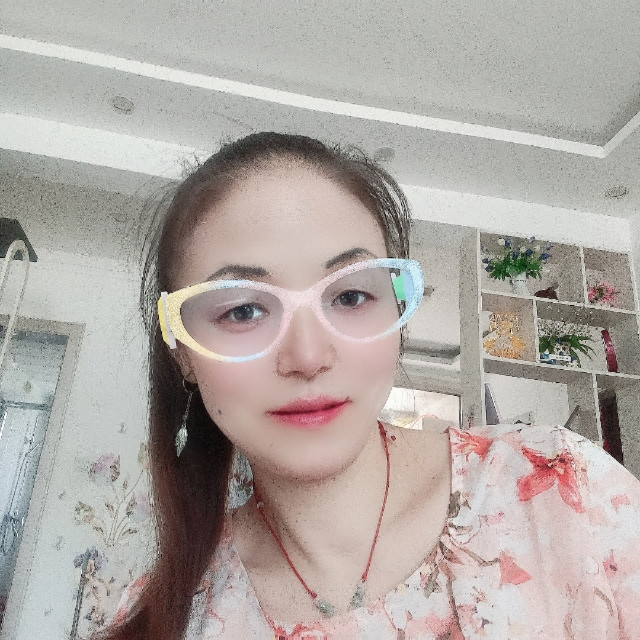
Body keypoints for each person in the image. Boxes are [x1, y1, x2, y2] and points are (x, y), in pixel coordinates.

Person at [101, 132, 640, 640]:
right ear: (181, 351)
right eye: (243, 310)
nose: (308, 356)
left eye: (350, 297)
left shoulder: (563, 494)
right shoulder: (168, 616)